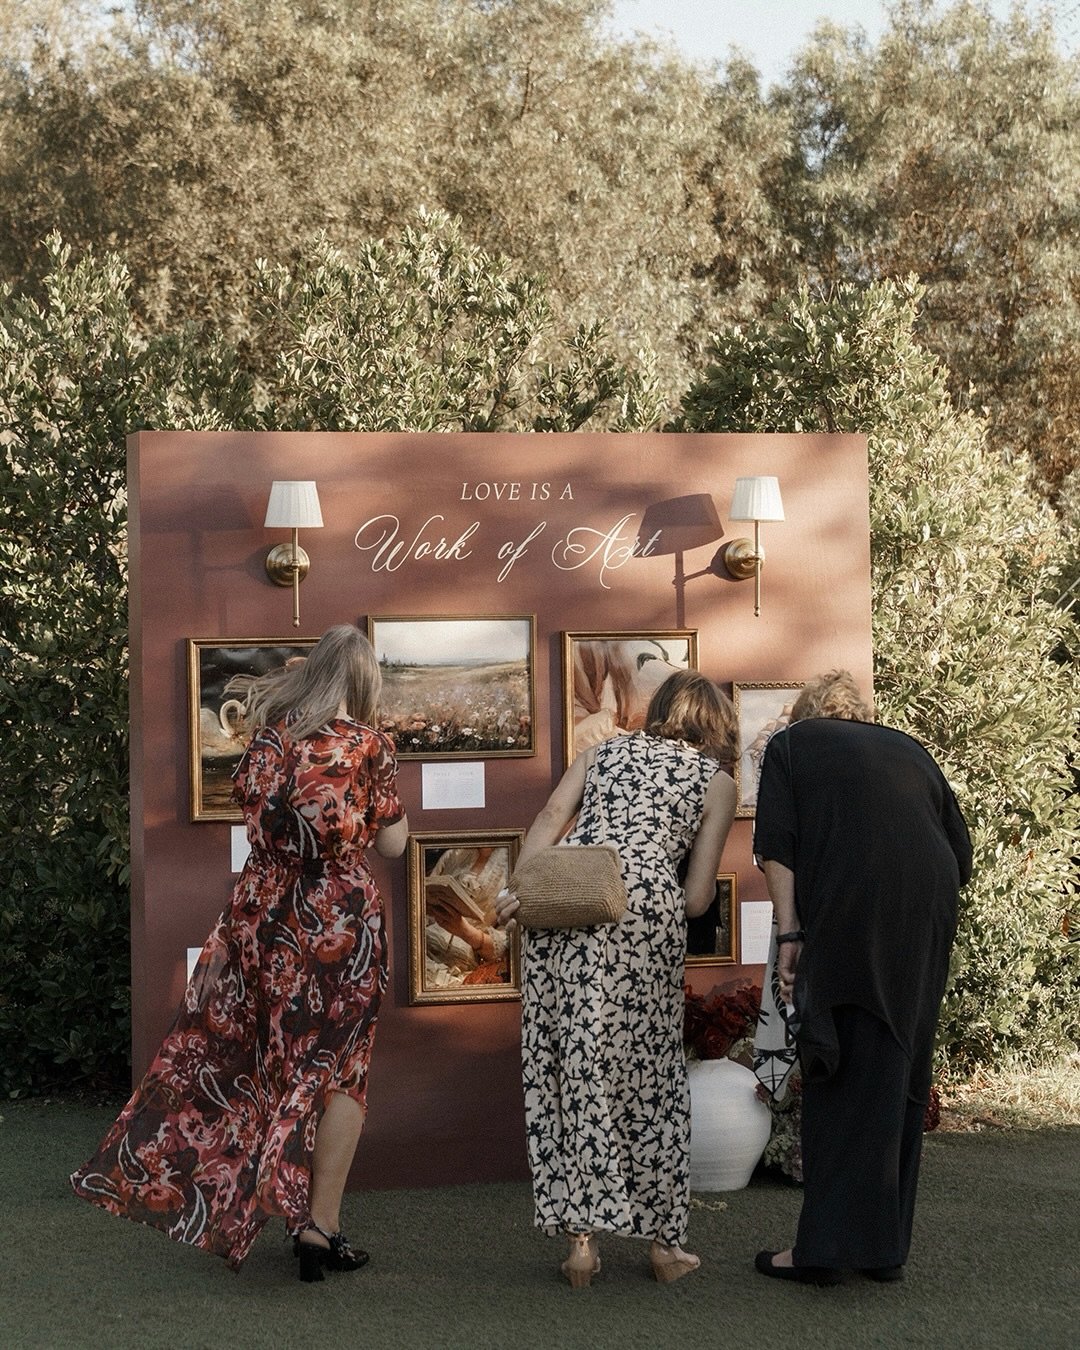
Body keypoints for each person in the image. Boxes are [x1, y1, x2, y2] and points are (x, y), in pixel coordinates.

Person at [71, 624, 408, 1281]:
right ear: (366, 680)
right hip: (343, 927)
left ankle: (255, 1201)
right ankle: (319, 1228)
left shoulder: (267, 742)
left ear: (312, 672)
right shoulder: (370, 745)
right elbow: (393, 848)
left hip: (267, 924)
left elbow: (256, 829)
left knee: (271, 1060)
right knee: (341, 1074)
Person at [495, 669, 737, 1287]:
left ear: (658, 710)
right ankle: (664, 1248)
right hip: (642, 921)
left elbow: (550, 815)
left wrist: (522, 888)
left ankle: (581, 1247)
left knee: (578, 1067)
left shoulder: (603, 750)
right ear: (716, 726)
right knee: (648, 1075)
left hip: (567, 902)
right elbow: (696, 897)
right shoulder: (716, 782)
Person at [751, 670, 972, 1286]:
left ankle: (820, 1252)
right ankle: (882, 1252)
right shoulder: (908, 748)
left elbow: (776, 848)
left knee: (837, 1053)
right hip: (928, 903)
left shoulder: (790, 745)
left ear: (805, 712)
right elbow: (961, 853)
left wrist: (792, 936)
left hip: (853, 901)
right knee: (901, 1063)